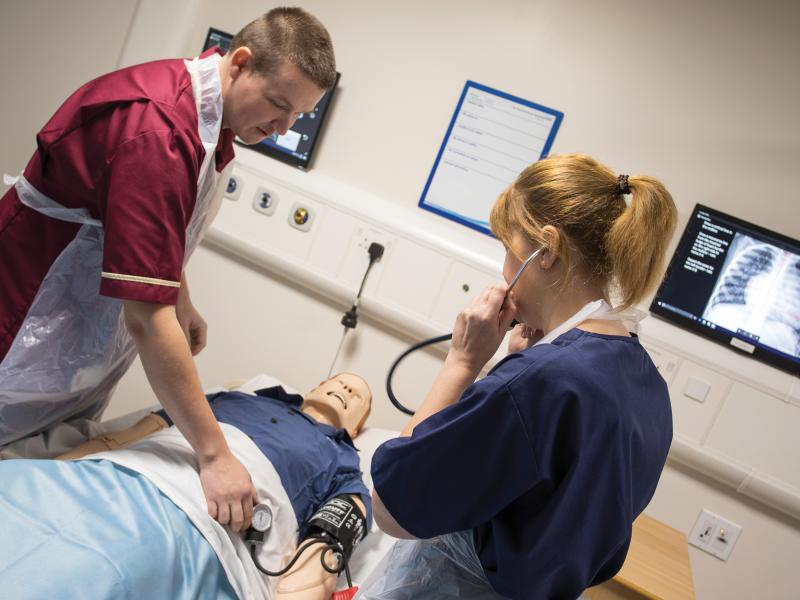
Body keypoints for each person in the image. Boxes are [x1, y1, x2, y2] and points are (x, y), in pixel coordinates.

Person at [0, 7, 335, 530]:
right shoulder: (158, 129)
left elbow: (146, 226)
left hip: (68, 342)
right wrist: (214, 455)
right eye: (278, 104)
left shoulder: (211, 120)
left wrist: (181, 295)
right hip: (20, 325)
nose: (282, 128)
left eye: (299, 116)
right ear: (241, 62)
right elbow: (146, 319)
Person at [360, 154, 678, 600]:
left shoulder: (540, 382)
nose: (505, 269)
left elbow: (392, 510)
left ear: (546, 251)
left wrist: (463, 363)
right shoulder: (643, 382)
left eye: (508, 249)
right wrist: (521, 368)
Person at [0, 373, 372, 600]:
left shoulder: (345, 466)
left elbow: (322, 557)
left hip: (194, 517)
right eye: (339, 382)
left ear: (358, 428)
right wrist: (57, 467)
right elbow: (124, 437)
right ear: (316, 386)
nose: (345, 390)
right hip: (124, 468)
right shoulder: (236, 398)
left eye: (358, 396)